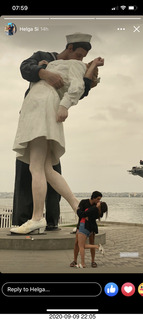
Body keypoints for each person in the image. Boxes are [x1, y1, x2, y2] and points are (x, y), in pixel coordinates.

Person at [10, 39, 104, 234]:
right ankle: (79, 208)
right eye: (79, 54)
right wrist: (43, 70)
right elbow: (25, 67)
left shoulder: (75, 66)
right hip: (40, 107)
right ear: (69, 48)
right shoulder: (46, 58)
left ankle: (37, 218)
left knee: (36, 166)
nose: (81, 59)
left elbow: (80, 87)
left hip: (41, 106)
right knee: (46, 168)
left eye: (84, 58)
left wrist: (64, 105)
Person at [70, 191, 102, 268]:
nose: (99, 201)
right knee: (77, 243)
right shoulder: (83, 202)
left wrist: (86, 214)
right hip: (81, 225)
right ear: (93, 197)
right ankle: (75, 260)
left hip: (91, 227)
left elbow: (98, 216)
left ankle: (93, 261)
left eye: (100, 199)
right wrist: (86, 214)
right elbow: (79, 213)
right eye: (97, 199)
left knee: (92, 242)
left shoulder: (97, 206)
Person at [77, 201, 108, 268]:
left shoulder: (94, 209)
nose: (98, 202)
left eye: (100, 202)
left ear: (100, 206)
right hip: (88, 228)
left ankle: (83, 263)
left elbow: (83, 214)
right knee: (82, 245)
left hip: (83, 225)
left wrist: (78, 210)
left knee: (81, 246)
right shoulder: (98, 212)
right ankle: (83, 263)